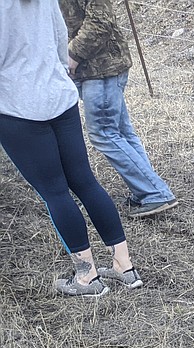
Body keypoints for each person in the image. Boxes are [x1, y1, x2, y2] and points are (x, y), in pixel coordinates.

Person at [0, 0, 143, 296]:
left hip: (18, 107)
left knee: (54, 191)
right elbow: (59, 37)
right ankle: (124, 267)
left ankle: (87, 278)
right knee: (85, 181)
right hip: (59, 97)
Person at [59, 0, 178, 218]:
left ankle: (155, 193)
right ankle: (147, 190)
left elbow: (101, 21)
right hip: (95, 68)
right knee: (121, 133)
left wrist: (72, 56)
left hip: (101, 68)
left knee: (104, 133)